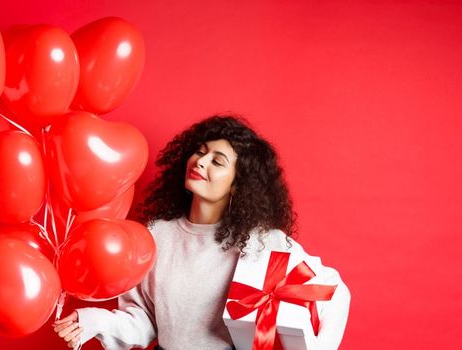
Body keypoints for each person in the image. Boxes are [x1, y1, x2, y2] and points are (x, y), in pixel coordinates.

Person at [52, 115, 351, 349]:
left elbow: (333, 292)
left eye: (217, 161)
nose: (200, 161)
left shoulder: (261, 243)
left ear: (237, 184)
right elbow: (142, 320)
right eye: (200, 152)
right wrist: (93, 322)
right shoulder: (156, 236)